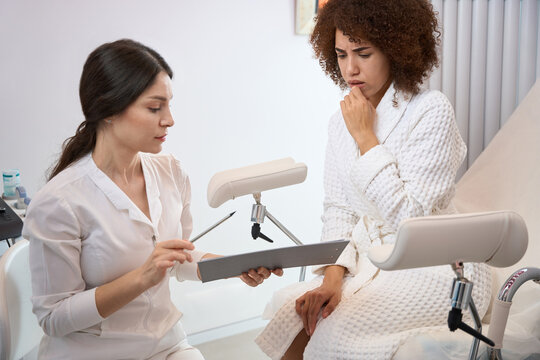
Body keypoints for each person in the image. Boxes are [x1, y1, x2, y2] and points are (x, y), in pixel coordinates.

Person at [254, 0, 491, 359]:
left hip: (438, 265)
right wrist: (332, 279)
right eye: (340, 54)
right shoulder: (339, 123)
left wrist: (366, 139)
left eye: (363, 53)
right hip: (369, 258)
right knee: (294, 314)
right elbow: (339, 210)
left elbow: (410, 220)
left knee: (333, 331)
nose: (350, 68)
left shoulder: (430, 110)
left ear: (395, 49)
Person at [23, 39, 282, 360]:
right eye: (154, 107)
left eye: (169, 105)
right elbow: (53, 318)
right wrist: (142, 276)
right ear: (109, 110)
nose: (169, 119)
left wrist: (231, 267)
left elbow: (177, 258)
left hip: (165, 344)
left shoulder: (170, 171)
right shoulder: (59, 202)